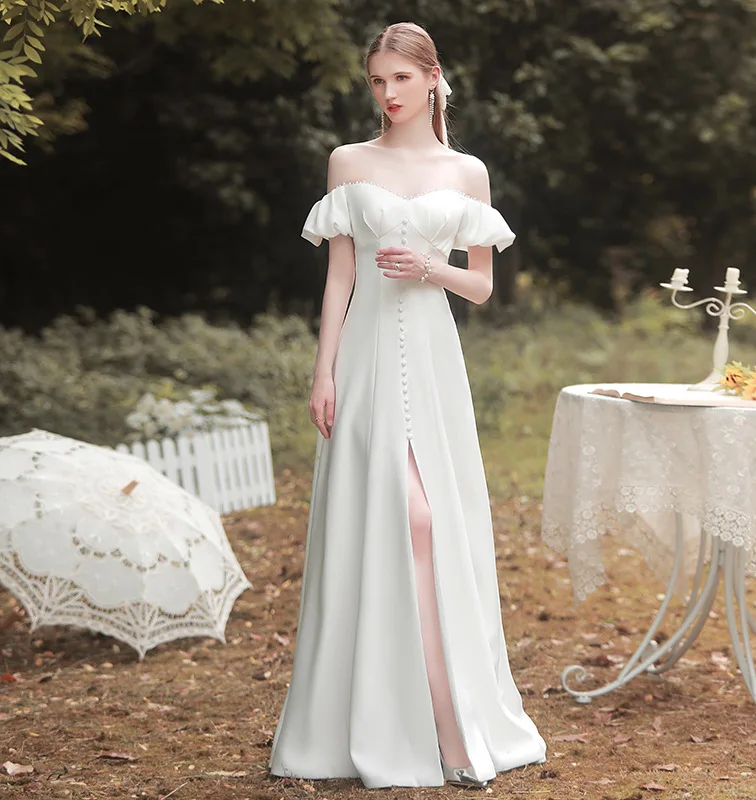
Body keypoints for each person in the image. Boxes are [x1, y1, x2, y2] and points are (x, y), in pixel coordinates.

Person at [268, 20, 547, 790]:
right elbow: (338, 278)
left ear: (432, 79)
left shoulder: (467, 172)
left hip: (430, 358)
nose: (387, 95)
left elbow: (483, 286)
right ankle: (388, 721)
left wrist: (433, 266)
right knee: (383, 519)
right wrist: (322, 373)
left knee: (426, 521)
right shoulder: (347, 162)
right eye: (376, 82)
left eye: (400, 79)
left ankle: (453, 726)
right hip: (359, 357)